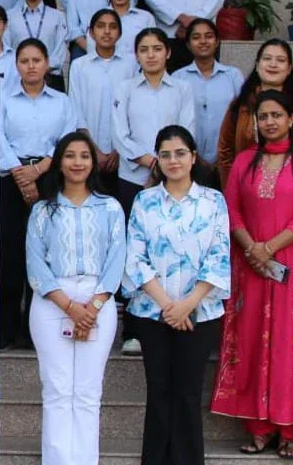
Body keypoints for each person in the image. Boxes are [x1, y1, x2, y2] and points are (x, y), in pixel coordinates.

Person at [211, 90, 293, 460]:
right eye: (263, 116)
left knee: (289, 342)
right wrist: (252, 248)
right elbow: (231, 208)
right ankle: (259, 430)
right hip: (251, 264)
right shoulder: (244, 160)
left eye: (276, 115)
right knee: (252, 340)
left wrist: (269, 247)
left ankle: (290, 431)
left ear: (291, 119)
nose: (269, 122)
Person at [124, 124, 231, 465]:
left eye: (180, 153)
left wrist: (187, 305)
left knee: (187, 394)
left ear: (193, 157)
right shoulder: (144, 201)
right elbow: (135, 259)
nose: (173, 160)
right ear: (157, 159)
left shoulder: (213, 201)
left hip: (200, 312)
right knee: (159, 392)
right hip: (152, 311)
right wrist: (169, 306)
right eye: (166, 154)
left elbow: (218, 256)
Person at [25, 131, 126, 465]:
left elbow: (116, 260)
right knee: (56, 389)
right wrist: (70, 307)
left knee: (87, 392)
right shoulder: (43, 210)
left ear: (93, 162)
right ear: (59, 162)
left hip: (98, 300)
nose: (77, 162)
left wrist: (91, 308)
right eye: (70, 155)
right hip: (53, 301)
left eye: (84, 156)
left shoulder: (110, 207)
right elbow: (35, 264)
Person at [112, 27, 196, 356]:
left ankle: (175, 316)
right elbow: (119, 134)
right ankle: (134, 330)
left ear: (168, 52)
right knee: (136, 252)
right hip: (133, 177)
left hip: (173, 178)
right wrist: (149, 161)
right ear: (136, 55)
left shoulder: (182, 88)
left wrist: (164, 164)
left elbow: (186, 130)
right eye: (144, 49)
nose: (151, 55)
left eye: (157, 48)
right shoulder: (125, 88)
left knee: (171, 247)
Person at [0, 38, 80, 349]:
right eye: (24, 61)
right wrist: (21, 173)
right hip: (11, 179)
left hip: (49, 179)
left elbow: (66, 140)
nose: (30, 66)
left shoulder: (62, 101)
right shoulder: (3, 99)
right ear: (16, 65)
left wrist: (41, 168)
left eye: (36, 60)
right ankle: (6, 331)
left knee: (45, 253)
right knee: (11, 254)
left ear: (47, 63)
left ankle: (37, 332)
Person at [217, 39, 293, 189]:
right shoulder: (241, 106)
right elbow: (225, 152)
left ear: (289, 69)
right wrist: (234, 188)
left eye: (280, 60)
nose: (273, 64)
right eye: (267, 58)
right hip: (248, 190)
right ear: (257, 65)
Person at [68, 9, 139, 197]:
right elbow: (76, 109)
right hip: (90, 152)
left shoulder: (131, 64)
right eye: (101, 26)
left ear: (120, 33)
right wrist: (94, 150)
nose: (107, 31)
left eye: (113, 27)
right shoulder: (79, 66)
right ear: (91, 33)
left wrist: (119, 150)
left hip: (124, 154)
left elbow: (134, 110)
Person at [173, 18, 245, 180]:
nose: (203, 41)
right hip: (188, 162)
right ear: (188, 44)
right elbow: (174, 121)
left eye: (209, 36)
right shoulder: (178, 77)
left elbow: (241, 118)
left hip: (227, 160)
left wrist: (226, 155)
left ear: (217, 41)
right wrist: (194, 156)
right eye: (196, 37)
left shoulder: (233, 76)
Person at [7, 0, 67, 91]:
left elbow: (60, 51)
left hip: (51, 78)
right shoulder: (10, 17)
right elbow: (7, 49)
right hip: (18, 78)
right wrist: (25, 69)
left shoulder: (57, 16)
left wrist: (40, 69)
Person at [103, 0, 155, 64]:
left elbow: (151, 50)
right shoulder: (98, 18)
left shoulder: (146, 18)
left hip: (138, 71)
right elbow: (93, 52)